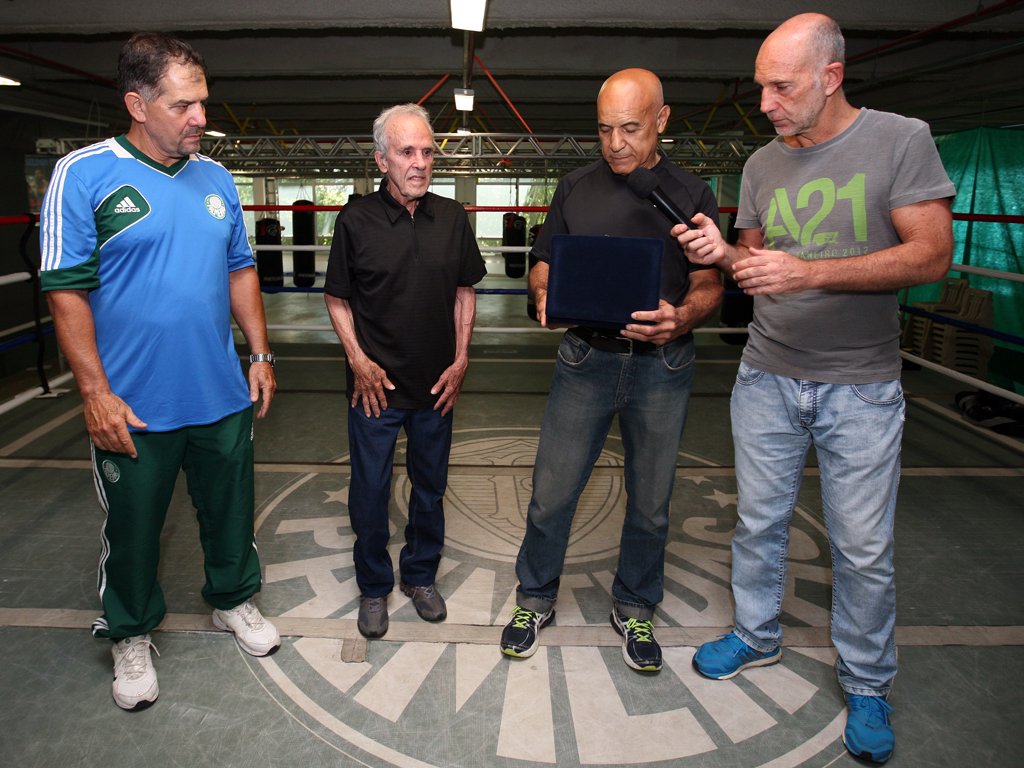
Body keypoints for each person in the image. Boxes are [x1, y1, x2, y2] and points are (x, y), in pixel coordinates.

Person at [676, 14, 954, 764]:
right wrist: (724, 251)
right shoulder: (763, 165)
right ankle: (756, 633)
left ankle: (867, 681)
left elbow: (930, 256)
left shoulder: (899, 139)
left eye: (780, 86)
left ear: (831, 76)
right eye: (762, 85)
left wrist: (813, 271)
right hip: (766, 374)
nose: (764, 101)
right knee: (758, 522)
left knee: (863, 550)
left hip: (859, 387)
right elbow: (756, 263)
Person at [38, 33, 281, 711]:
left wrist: (259, 354)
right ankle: (130, 629)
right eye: (184, 105)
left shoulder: (217, 178)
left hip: (220, 392)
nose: (201, 116)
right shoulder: (84, 175)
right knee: (135, 526)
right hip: (133, 403)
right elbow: (65, 290)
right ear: (137, 104)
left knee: (230, 514)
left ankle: (234, 598)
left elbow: (240, 268)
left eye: (203, 100)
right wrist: (95, 393)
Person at [499, 69, 723, 672]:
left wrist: (682, 318)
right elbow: (542, 263)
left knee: (651, 502)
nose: (616, 144)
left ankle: (634, 605)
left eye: (630, 128)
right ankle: (535, 597)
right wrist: (544, 293)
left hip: (662, 365)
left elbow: (710, 285)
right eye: (604, 130)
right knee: (551, 493)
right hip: (585, 359)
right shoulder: (575, 187)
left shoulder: (692, 194)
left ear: (661, 120)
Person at [324, 103, 486, 639]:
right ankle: (374, 587)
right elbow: (338, 299)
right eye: (406, 152)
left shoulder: (452, 219)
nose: (419, 162)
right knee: (369, 489)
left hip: (437, 385)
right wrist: (358, 361)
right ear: (381, 160)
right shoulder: (356, 221)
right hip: (375, 388)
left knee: (430, 487)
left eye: (427, 151)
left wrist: (461, 360)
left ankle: (419, 576)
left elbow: (465, 292)